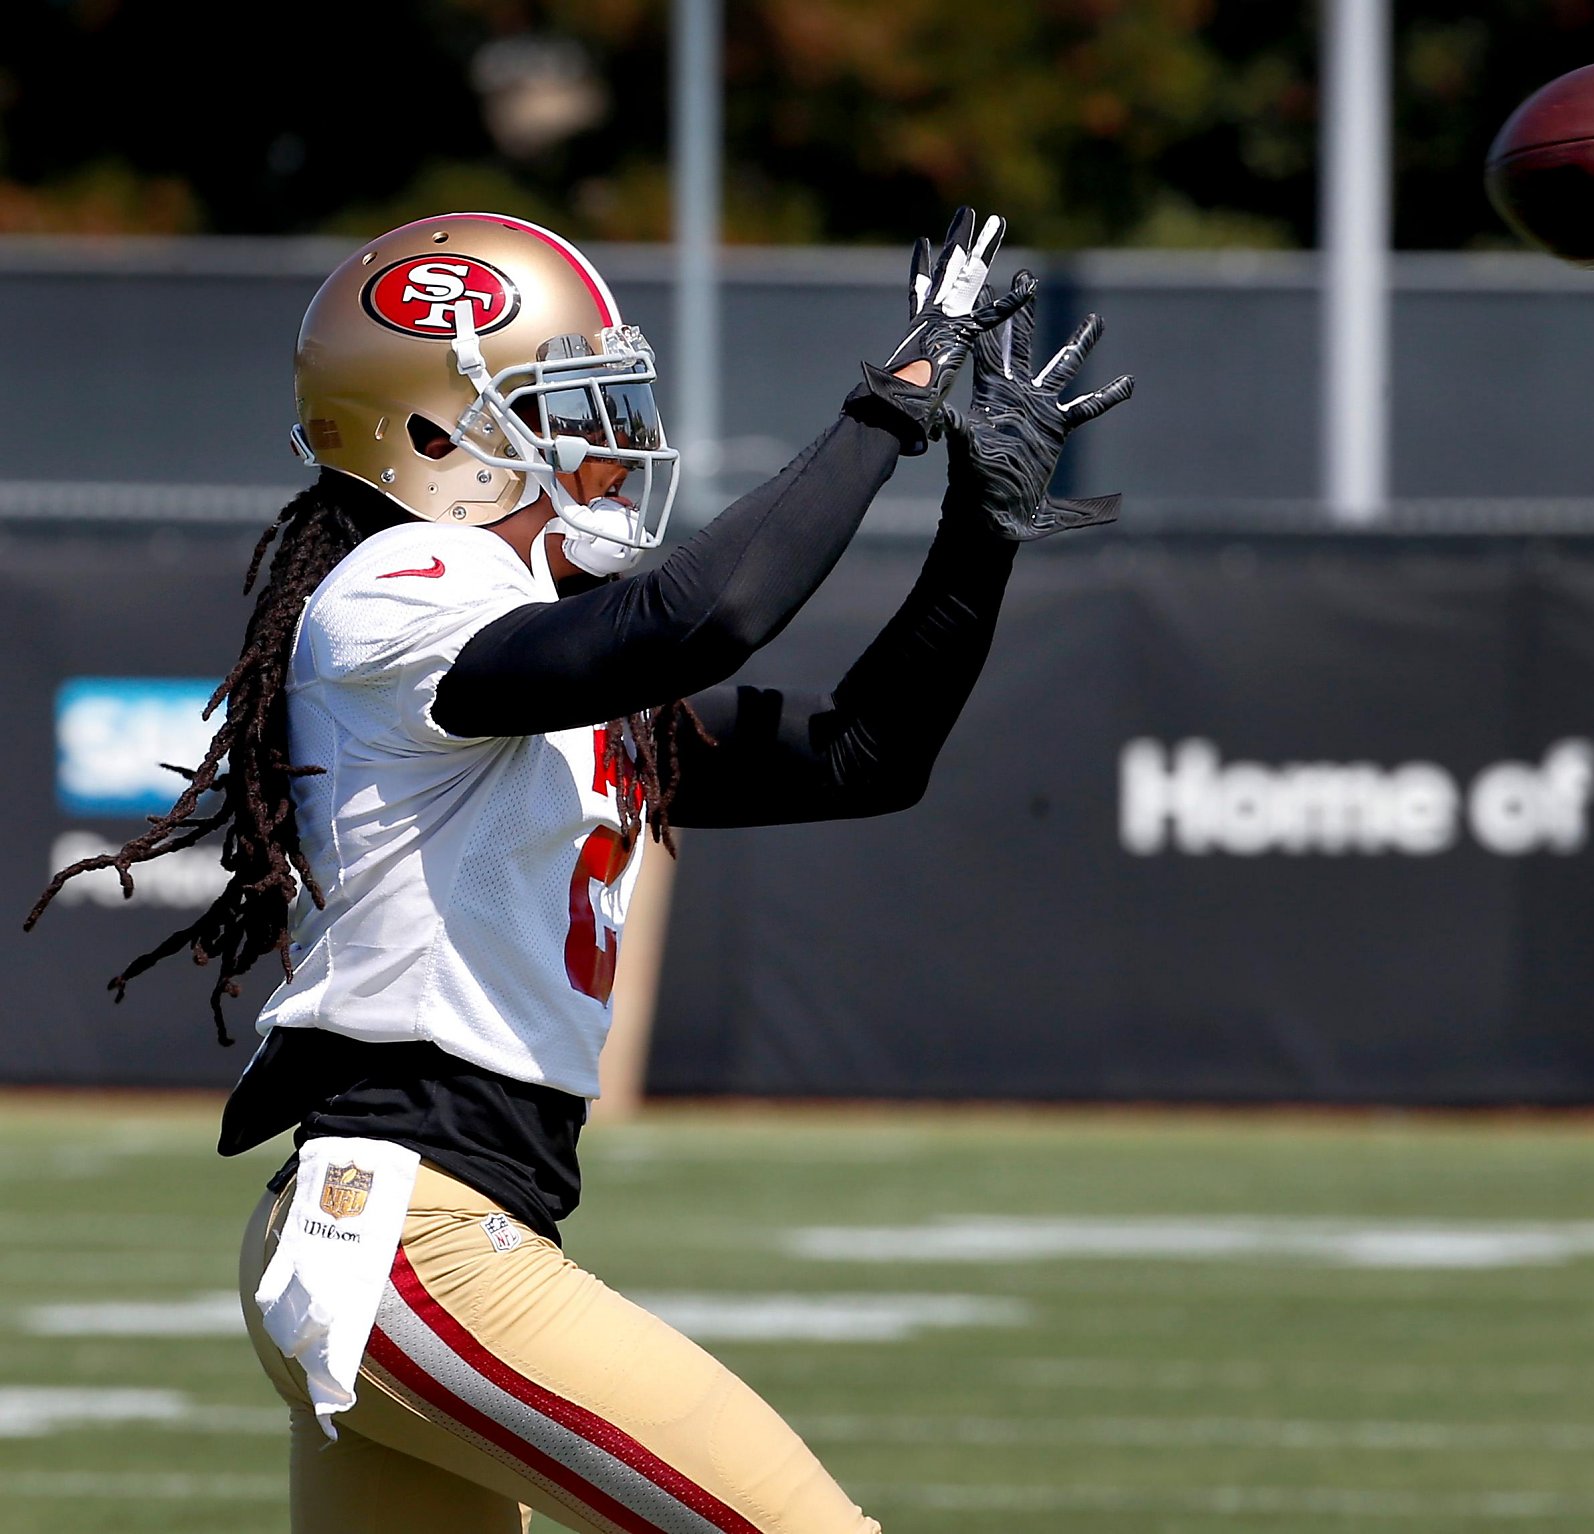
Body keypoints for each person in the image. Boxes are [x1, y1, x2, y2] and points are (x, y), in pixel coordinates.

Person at [27, 207, 1130, 1534]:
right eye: (563, 407)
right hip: (414, 1232)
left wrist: (981, 530)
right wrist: (889, 403)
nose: (609, 446)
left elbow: (861, 755)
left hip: (407, 1232)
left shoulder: (532, 655)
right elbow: (705, 617)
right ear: (431, 436)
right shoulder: (403, 581)